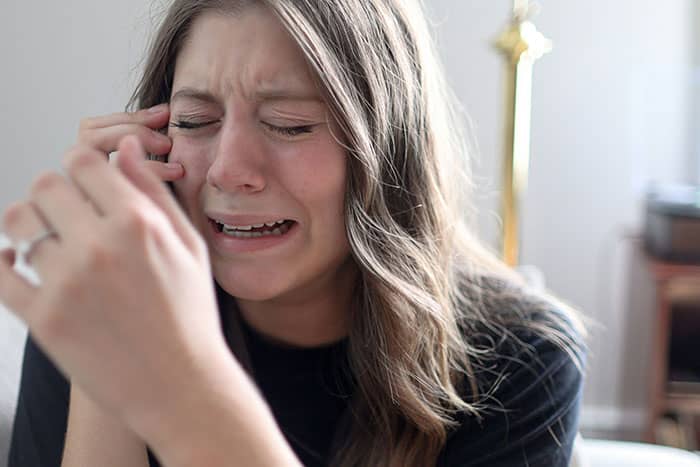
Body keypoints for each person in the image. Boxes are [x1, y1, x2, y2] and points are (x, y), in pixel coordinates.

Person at [2, 0, 586, 466]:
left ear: (389, 153)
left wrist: (184, 386)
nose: (229, 169)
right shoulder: (93, 306)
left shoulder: (522, 361)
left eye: (289, 125)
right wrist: (107, 346)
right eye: (194, 121)